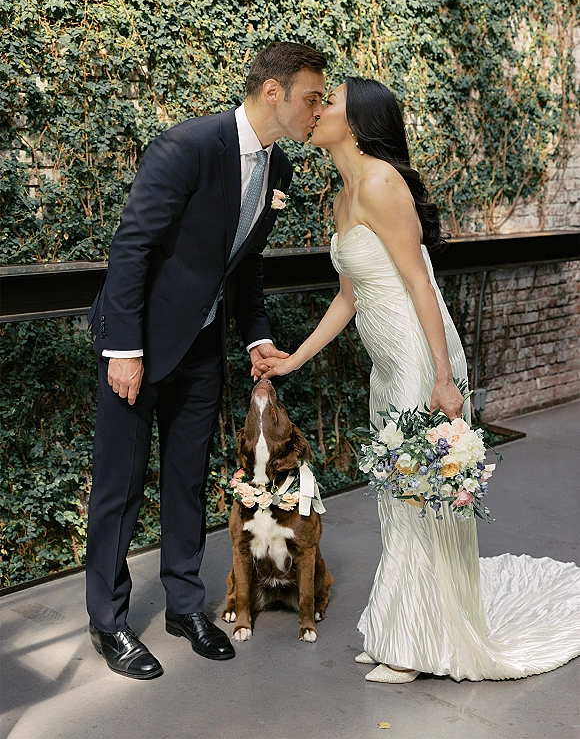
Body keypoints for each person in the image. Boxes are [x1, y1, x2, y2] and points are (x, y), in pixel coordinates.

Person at [259, 77, 580, 682]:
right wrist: (295, 359)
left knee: (417, 498)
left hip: (418, 357)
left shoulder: (383, 183)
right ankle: (403, 628)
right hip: (387, 364)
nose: (317, 109)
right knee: (398, 498)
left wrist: (443, 376)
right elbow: (349, 298)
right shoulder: (343, 198)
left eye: (331, 102)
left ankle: (416, 646)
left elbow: (420, 285)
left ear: (357, 123)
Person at [85, 42, 327, 679]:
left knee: (189, 480)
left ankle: (185, 607)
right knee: (119, 487)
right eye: (311, 98)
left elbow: (245, 266)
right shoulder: (187, 147)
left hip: (202, 349)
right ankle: (108, 622)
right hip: (137, 346)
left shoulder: (278, 169)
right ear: (273, 92)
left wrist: (255, 338)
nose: (318, 110)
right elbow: (131, 247)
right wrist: (124, 350)